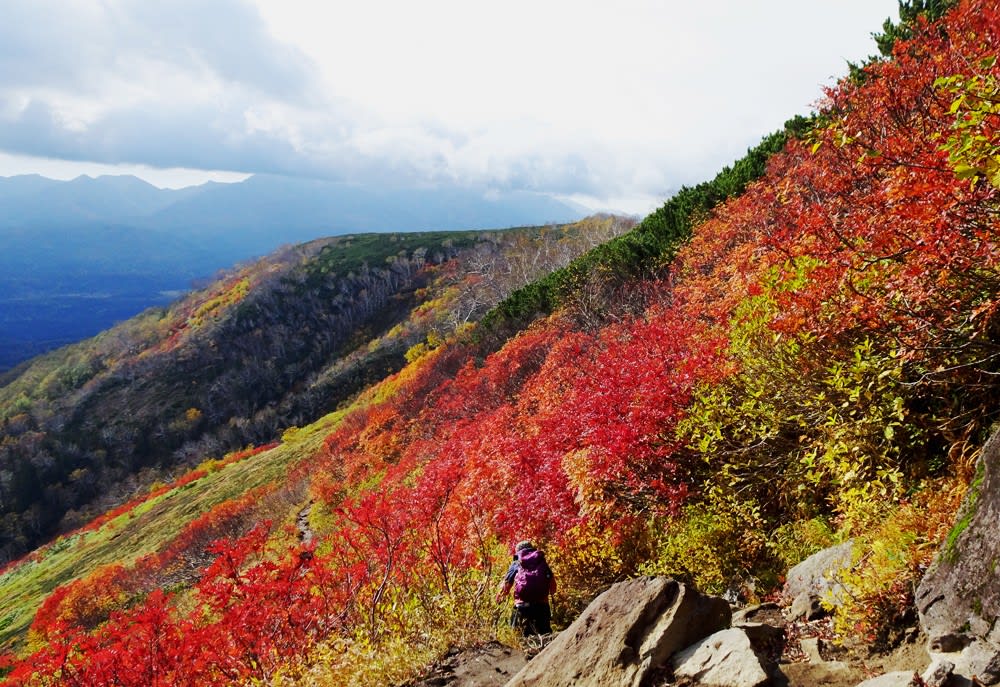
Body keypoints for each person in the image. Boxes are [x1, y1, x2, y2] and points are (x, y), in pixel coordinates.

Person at [495, 540, 557, 635]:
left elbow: (506, 587)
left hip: (522, 607)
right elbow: (553, 587)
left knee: (518, 636)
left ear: (517, 551)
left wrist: (499, 598)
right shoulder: (541, 561)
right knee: (545, 636)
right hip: (542, 607)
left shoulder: (517, 562)